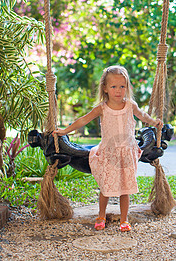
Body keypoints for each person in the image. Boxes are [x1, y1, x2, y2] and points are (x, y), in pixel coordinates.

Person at [53, 65, 163, 232]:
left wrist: (154, 122)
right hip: (109, 153)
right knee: (106, 187)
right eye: (113, 87)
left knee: (125, 189)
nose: (118, 91)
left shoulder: (130, 105)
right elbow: (83, 120)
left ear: (127, 87)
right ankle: (101, 215)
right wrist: (64, 131)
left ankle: (124, 219)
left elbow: (143, 115)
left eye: (122, 86)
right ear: (105, 88)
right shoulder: (102, 108)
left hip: (126, 153)